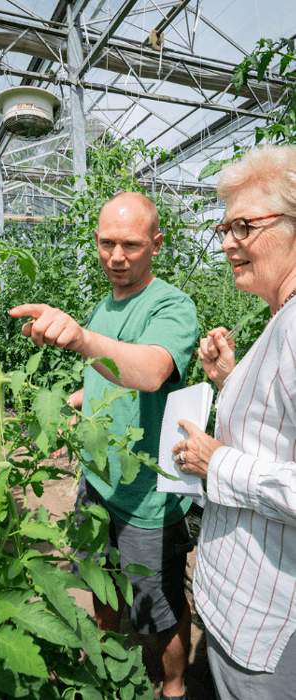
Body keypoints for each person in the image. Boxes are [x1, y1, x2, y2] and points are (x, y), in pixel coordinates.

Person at [9, 191, 198, 700]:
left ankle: (175, 685)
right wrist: (75, 400)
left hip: (147, 498)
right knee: (100, 582)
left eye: (131, 245)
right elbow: (111, 370)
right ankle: (107, 656)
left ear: (156, 244)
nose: (116, 256)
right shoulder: (106, 302)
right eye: (106, 243)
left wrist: (81, 340)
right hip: (97, 483)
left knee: (158, 609)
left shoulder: (170, 305)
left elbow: (153, 370)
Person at [172, 144, 296, 700]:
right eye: (225, 227)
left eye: (244, 226)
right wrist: (229, 378)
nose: (227, 243)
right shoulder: (281, 322)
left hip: (268, 629)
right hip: (243, 610)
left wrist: (216, 462)